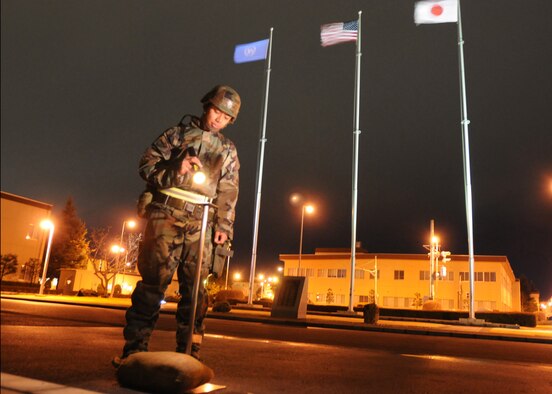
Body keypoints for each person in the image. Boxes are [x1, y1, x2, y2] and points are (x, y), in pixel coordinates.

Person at [115, 85, 241, 365]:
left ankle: (189, 354)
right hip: (167, 214)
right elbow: (145, 164)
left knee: (196, 292)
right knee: (152, 285)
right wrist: (176, 170)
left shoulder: (228, 150)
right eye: (217, 111)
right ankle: (134, 351)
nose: (219, 119)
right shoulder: (177, 134)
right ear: (206, 106)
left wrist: (224, 227)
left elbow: (229, 190)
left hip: (203, 220)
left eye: (226, 117)